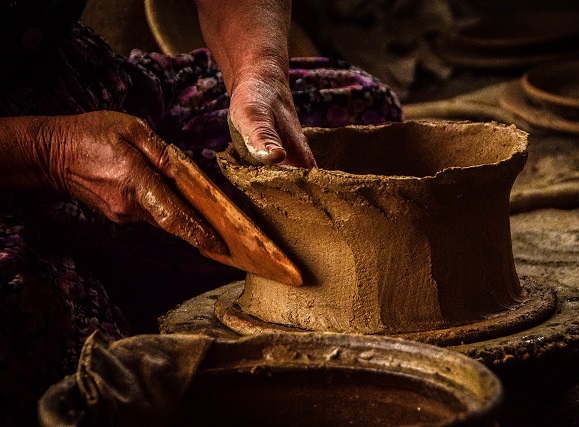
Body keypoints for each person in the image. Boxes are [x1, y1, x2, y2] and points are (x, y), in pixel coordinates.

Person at [0, 0, 403, 424]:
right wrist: (48, 150)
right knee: (25, 321)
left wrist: (258, 73)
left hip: (86, 94)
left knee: (361, 119)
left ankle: (115, 279)